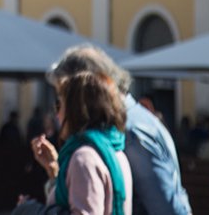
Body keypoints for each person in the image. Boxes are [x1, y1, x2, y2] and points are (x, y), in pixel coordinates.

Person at [47, 45, 192, 215]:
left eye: (64, 97)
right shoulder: (123, 126)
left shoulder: (130, 131)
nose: (59, 110)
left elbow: (166, 209)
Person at [19, 72, 132, 215]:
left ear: (75, 110)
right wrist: (54, 171)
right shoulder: (115, 151)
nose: (57, 114)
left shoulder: (84, 158)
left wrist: (30, 210)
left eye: (59, 105)